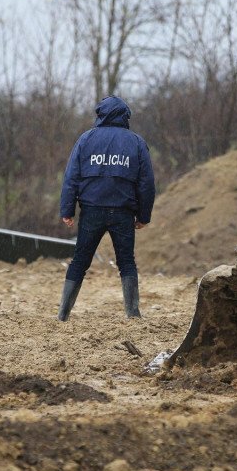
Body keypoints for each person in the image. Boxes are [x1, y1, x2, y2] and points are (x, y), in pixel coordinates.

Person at [58, 95, 156, 321]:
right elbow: (146, 183)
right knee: (126, 262)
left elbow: (71, 177)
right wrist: (144, 215)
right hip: (123, 213)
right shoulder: (136, 142)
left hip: (91, 211)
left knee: (79, 262)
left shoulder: (86, 139)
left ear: (100, 114)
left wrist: (67, 210)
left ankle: (63, 314)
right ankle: (133, 314)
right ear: (125, 116)